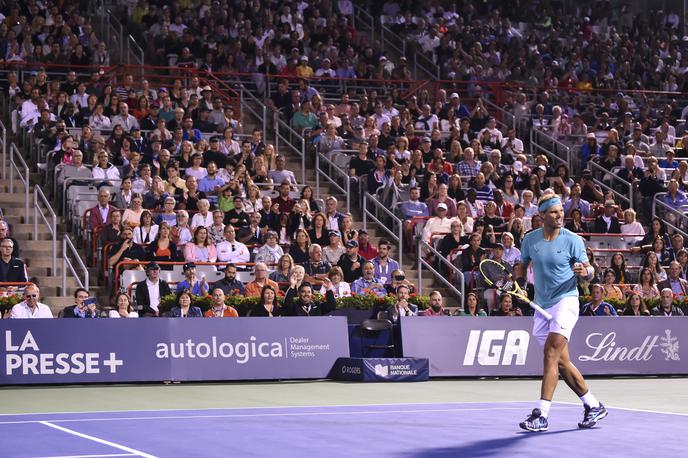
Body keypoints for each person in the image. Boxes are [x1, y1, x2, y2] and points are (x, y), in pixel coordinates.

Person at [519, 193, 607, 433]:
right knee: (561, 362)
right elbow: (523, 264)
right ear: (542, 215)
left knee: (550, 352)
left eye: (561, 211)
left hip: (566, 301)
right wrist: (517, 284)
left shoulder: (573, 240)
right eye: (554, 212)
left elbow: (589, 271)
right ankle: (593, 405)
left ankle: (541, 414)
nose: (560, 215)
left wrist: (585, 271)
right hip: (541, 305)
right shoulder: (530, 240)